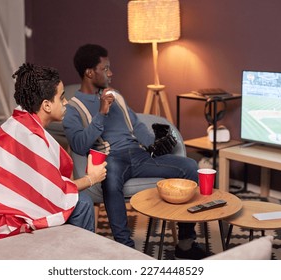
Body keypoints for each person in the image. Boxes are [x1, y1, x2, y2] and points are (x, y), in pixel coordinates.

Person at [62, 44, 206, 259]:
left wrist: (155, 145)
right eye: (106, 68)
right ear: (90, 73)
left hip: (138, 155)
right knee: (110, 177)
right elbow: (80, 145)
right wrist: (101, 113)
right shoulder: (72, 109)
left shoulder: (116, 95)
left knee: (190, 167)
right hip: (111, 160)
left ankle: (185, 244)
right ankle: (126, 249)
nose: (111, 73)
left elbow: (136, 124)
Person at [0, 63, 107, 238]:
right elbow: (57, 193)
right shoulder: (30, 137)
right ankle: (83, 256)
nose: (66, 102)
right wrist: (92, 178)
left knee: (78, 200)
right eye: (61, 97)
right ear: (46, 105)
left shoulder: (21, 118)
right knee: (82, 203)